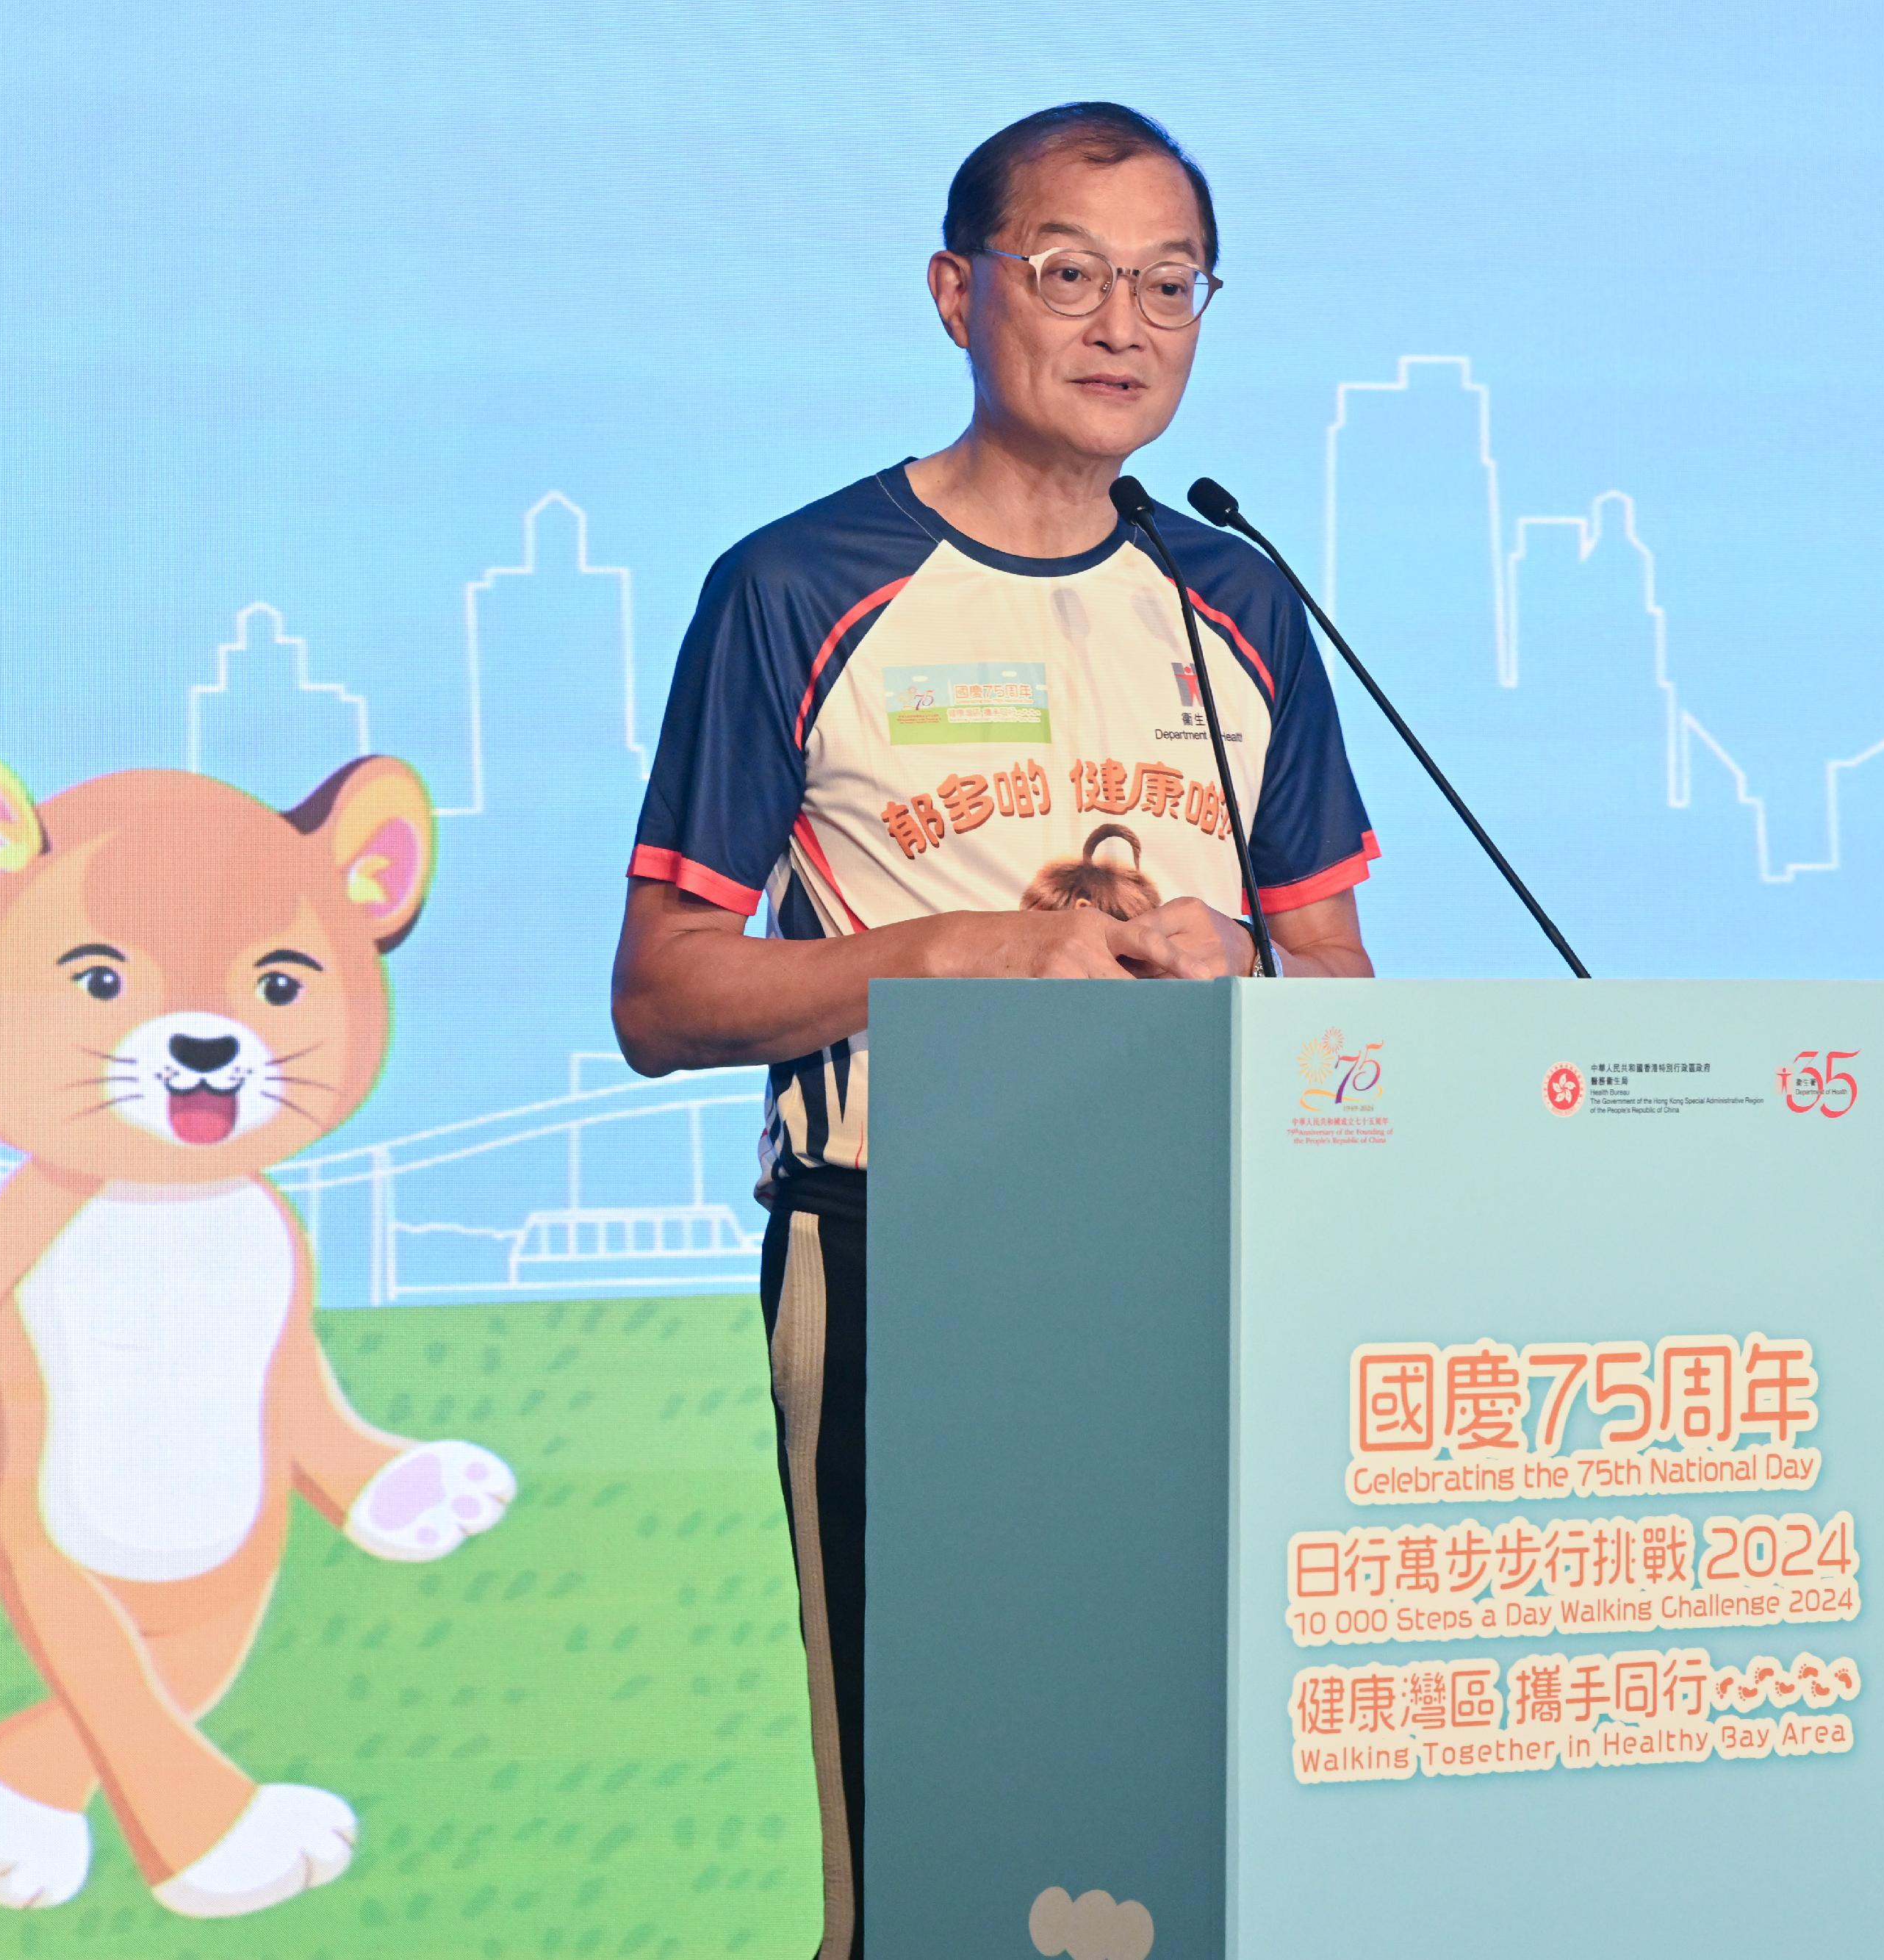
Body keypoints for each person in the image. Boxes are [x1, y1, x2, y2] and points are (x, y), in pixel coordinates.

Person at [611, 101, 1378, 1959]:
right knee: (942, 1856)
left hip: (1208, 1260)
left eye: (1169, 284)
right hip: (907, 1252)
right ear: (959, 292)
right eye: (1067, 273)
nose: (1122, 324)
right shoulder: (799, 587)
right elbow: (661, 992)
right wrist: (961, 957)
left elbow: (1337, 989)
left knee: (1194, 1851)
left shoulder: (1239, 598)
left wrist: (1241, 980)